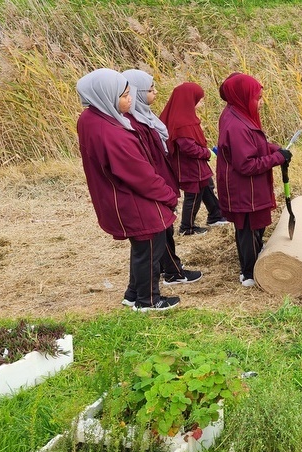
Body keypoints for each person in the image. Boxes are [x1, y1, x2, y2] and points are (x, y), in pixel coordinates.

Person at [76, 68, 179, 311]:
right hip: (131, 199)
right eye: (123, 95)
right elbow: (139, 174)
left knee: (142, 248)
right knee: (151, 245)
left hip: (116, 196)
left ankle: (133, 293)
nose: (129, 99)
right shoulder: (112, 134)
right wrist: (168, 195)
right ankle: (148, 300)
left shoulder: (91, 118)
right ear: (106, 96)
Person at [122, 69, 203, 288]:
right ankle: (171, 273)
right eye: (150, 89)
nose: (156, 93)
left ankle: (172, 270)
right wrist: (162, 189)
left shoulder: (145, 116)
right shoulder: (134, 124)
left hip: (162, 180)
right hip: (155, 184)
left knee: (164, 229)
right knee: (159, 231)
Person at [216, 73, 291, 287]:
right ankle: (248, 273)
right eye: (256, 98)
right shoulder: (236, 126)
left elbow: (254, 146)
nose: (259, 102)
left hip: (247, 188)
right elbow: (246, 164)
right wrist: (277, 158)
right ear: (242, 96)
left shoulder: (238, 114)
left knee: (253, 227)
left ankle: (256, 255)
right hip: (244, 190)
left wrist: (275, 149)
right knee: (247, 228)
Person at [159, 82, 227, 236]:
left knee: (207, 185)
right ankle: (187, 227)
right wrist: (207, 153)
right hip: (189, 166)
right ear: (190, 100)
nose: (202, 102)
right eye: (200, 99)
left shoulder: (186, 116)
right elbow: (188, 147)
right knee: (194, 194)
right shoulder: (182, 122)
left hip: (196, 165)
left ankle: (216, 214)